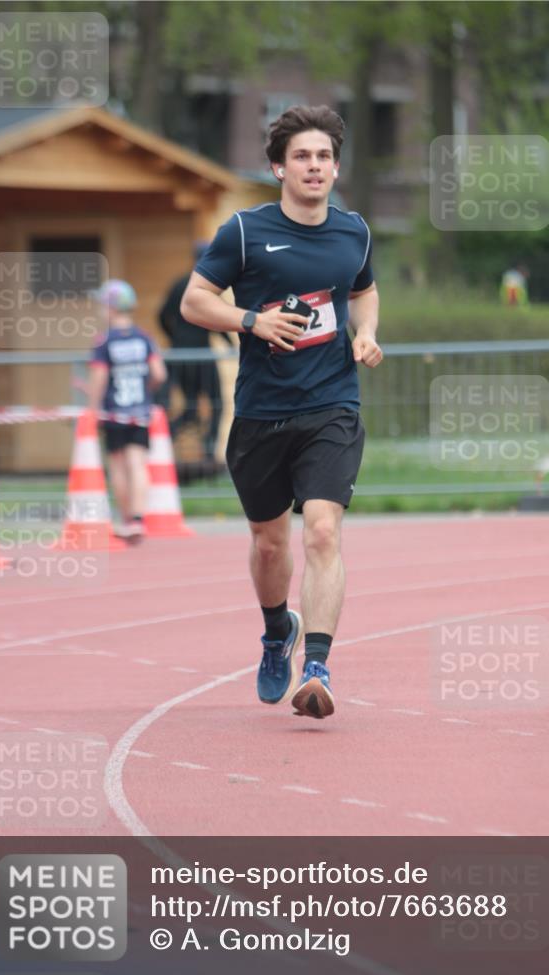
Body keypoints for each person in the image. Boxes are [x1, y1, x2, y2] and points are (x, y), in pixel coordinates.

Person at [181, 105, 382, 719]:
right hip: (262, 412)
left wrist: (366, 332)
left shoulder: (354, 232)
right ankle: (277, 631)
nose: (314, 166)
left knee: (322, 530)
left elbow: (364, 289)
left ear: (336, 167)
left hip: (332, 405)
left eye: (323, 156)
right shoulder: (244, 231)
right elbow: (194, 300)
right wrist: (252, 320)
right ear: (279, 168)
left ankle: (317, 668)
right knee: (270, 545)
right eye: (302, 156)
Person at [88, 279, 167, 542]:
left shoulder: (104, 341)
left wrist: (92, 408)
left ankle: (125, 519)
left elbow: (99, 378)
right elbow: (159, 374)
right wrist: (146, 389)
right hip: (140, 409)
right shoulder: (144, 338)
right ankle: (137, 519)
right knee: (137, 464)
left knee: (118, 466)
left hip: (114, 411)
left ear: (111, 308)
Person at [158, 244, 233, 463]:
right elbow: (218, 319)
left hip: (181, 354)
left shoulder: (181, 284)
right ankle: (208, 451)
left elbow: (162, 316)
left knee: (191, 409)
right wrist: (230, 345)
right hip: (201, 355)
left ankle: (163, 440)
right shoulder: (207, 287)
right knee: (217, 403)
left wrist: (175, 338)